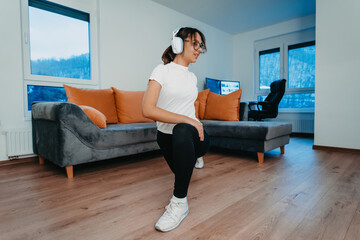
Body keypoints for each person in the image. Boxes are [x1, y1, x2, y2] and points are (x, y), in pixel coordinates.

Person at [142, 27, 210, 232]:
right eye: (195, 44)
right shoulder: (161, 71)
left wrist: (193, 123)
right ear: (178, 44)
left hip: (193, 135)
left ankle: (180, 204)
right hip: (167, 137)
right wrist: (188, 120)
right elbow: (147, 109)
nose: (199, 49)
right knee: (182, 169)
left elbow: (188, 108)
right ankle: (191, 157)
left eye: (201, 46)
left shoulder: (192, 78)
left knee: (182, 129)